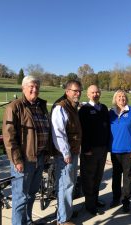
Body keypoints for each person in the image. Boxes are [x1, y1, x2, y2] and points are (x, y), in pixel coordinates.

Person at [2, 76, 52, 225]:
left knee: (31, 195)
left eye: (37, 86)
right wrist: (17, 160)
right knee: (20, 198)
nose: (34, 89)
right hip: (24, 161)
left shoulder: (41, 106)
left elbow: (46, 130)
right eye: (31, 86)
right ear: (23, 88)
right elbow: (9, 137)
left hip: (40, 158)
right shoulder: (14, 107)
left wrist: (47, 153)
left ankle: (27, 221)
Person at [51, 80, 82, 225]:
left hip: (73, 152)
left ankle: (66, 212)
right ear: (67, 91)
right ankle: (63, 220)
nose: (78, 93)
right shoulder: (61, 107)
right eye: (75, 91)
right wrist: (66, 153)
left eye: (79, 91)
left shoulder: (72, 106)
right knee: (65, 185)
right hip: (65, 155)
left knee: (70, 184)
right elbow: (58, 133)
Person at [78, 85, 110, 216]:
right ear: (88, 94)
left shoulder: (103, 108)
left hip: (102, 149)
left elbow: (107, 128)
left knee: (98, 176)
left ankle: (95, 200)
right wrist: (85, 148)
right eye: (93, 92)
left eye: (97, 92)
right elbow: (82, 131)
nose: (95, 94)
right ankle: (89, 204)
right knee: (89, 177)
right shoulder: (84, 110)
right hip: (89, 150)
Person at [109, 90, 131, 213]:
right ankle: (116, 198)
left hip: (128, 150)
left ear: (126, 98)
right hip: (114, 150)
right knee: (116, 175)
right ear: (115, 99)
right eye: (119, 97)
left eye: (123, 96)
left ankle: (126, 200)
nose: (121, 98)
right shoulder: (110, 112)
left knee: (127, 175)